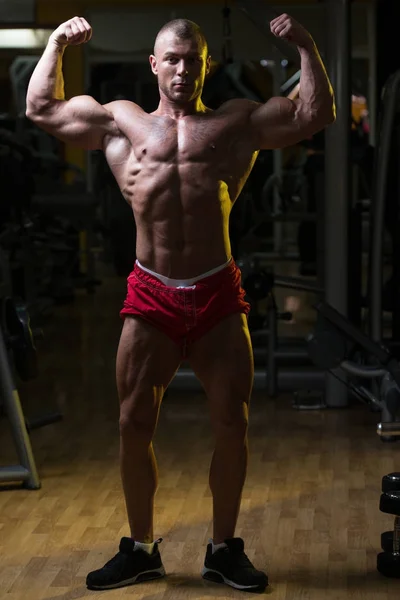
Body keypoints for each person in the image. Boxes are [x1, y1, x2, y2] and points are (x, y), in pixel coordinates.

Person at [26, 13, 335, 593]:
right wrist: (56, 44)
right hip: (151, 293)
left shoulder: (235, 124)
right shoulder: (120, 122)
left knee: (230, 423)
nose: (182, 68)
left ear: (205, 66)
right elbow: (41, 110)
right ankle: (141, 548)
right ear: (153, 63)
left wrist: (306, 46)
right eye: (172, 58)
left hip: (217, 290)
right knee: (132, 421)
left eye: (192, 59)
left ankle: (222, 549)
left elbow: (313, 113)